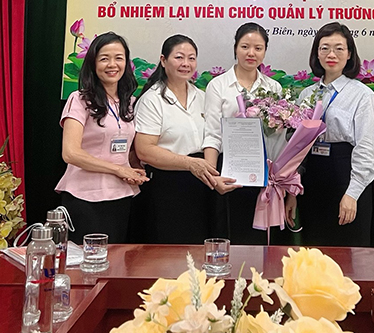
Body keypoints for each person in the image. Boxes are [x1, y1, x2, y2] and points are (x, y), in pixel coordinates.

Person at [56, 32, 148, 243]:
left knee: (116, 259)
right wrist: (117, 169)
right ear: (93, 63)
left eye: (119, 58)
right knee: (86, 260)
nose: (112, 65)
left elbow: (129, 150)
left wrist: (134, 168)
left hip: (121, 195)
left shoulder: (131, 103)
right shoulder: (79, 99)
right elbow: (70, 153)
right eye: (104, 58)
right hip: (84, 196)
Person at [133, 35, 225, 244]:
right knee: (170, 251)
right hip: (167, 187)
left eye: (191, 58)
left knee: (201, 249)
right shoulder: (152, 100)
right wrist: (190, 163)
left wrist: (210, 173)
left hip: (202, 185)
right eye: (179, 57)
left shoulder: (202, 97)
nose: (186, 64)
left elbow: (213, 137)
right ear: (163, 60)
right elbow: (144, 150)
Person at [203, 23, 287, 244]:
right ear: (235, 48)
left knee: (261, 242)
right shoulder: (218, 86)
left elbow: (278, 138)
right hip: (228, 172)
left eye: (258, 48)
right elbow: (212, 134)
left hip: (264, 173)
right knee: (230, 237)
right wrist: (214, 177)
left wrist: (280, 177)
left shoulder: (274, 88)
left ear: (265, 51)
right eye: (245, 47)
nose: (251, 53)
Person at [297, 22, 374, 247]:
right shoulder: (306, 95)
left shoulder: (362, 95)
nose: (331, 54)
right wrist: (294, 188)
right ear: (317, 53)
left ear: (349, 54)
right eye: (324, 48)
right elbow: (296, 146)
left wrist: (353, 193)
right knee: (314, 250)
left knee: (349, 252)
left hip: (346, 175)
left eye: (339, 48)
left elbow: (367, 147)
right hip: (313, 178)